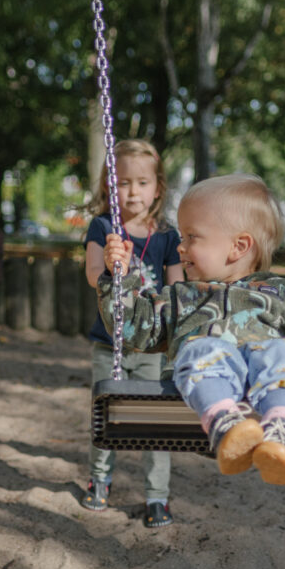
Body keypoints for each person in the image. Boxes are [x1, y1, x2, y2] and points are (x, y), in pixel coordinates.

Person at [98, 173, 285, 486]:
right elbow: (130, 331)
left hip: (270, 393)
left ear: (238, 246)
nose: (180, 248)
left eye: (191, 237)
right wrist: (119, 280)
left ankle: (281, 431)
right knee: (200, 348)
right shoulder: (179, 298)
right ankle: (226, 424)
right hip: (203, 397)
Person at [81, 139, 184, 528]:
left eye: (142, 182)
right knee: (106, 416)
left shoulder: (167, 237)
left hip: (153, 347)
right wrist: (110, 263)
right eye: (123, 182)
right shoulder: (104, 227)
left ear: (157, 187)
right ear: (110, 185)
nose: (133, 191)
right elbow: (93, 276)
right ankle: (101, 478)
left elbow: (176, 289)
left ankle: (157, 496)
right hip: (111, 345)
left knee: (157, 424)